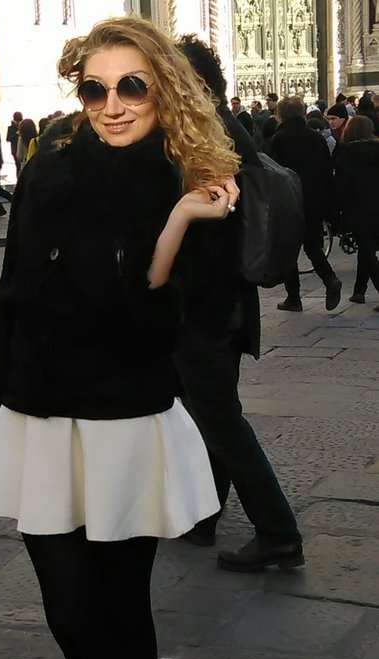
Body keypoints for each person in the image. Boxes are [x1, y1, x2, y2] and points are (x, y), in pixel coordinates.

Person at [0, 16, 239, 659]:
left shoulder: (189, 177)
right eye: (94, 89)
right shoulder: (51, 165)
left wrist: (179, 219)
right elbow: (11, 291)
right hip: (38, 409)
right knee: (69, 611)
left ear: (162, 91)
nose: (111, 106)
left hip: (124, 416)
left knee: (119, 604)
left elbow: (155, 326)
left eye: (131, 87)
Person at [175, 34, 304, 571]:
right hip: (225, 303)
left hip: (207, 305)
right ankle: (205, 516)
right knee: (211, 413)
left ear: (196, 85)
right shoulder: (228, 130)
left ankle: (278, 533)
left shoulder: (207, 139)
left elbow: (204, 230)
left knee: (219, 419)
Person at [269, 96, 341, 312]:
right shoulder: (316, 138)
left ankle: (294, 297)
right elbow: (327, 172)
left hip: (289, 201)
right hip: (314, 199)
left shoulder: (278, 139)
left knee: (289, 249)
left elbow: (274, 173)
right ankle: (330, 279)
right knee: (313, 245)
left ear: (280, 114)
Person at [335, 115, 379, 311]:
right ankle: (359, 290)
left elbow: (342, 186)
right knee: (366, 250)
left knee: (367, 251)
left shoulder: (347, 154)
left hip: (360, 208)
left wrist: (337, 212)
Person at [6, 110, 23, 178]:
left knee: (20, 165)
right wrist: (16, 134)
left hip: (20, 148)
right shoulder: (11, 128)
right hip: (15, 148)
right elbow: (8, 139)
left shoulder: (23, 126)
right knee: (18, 165)